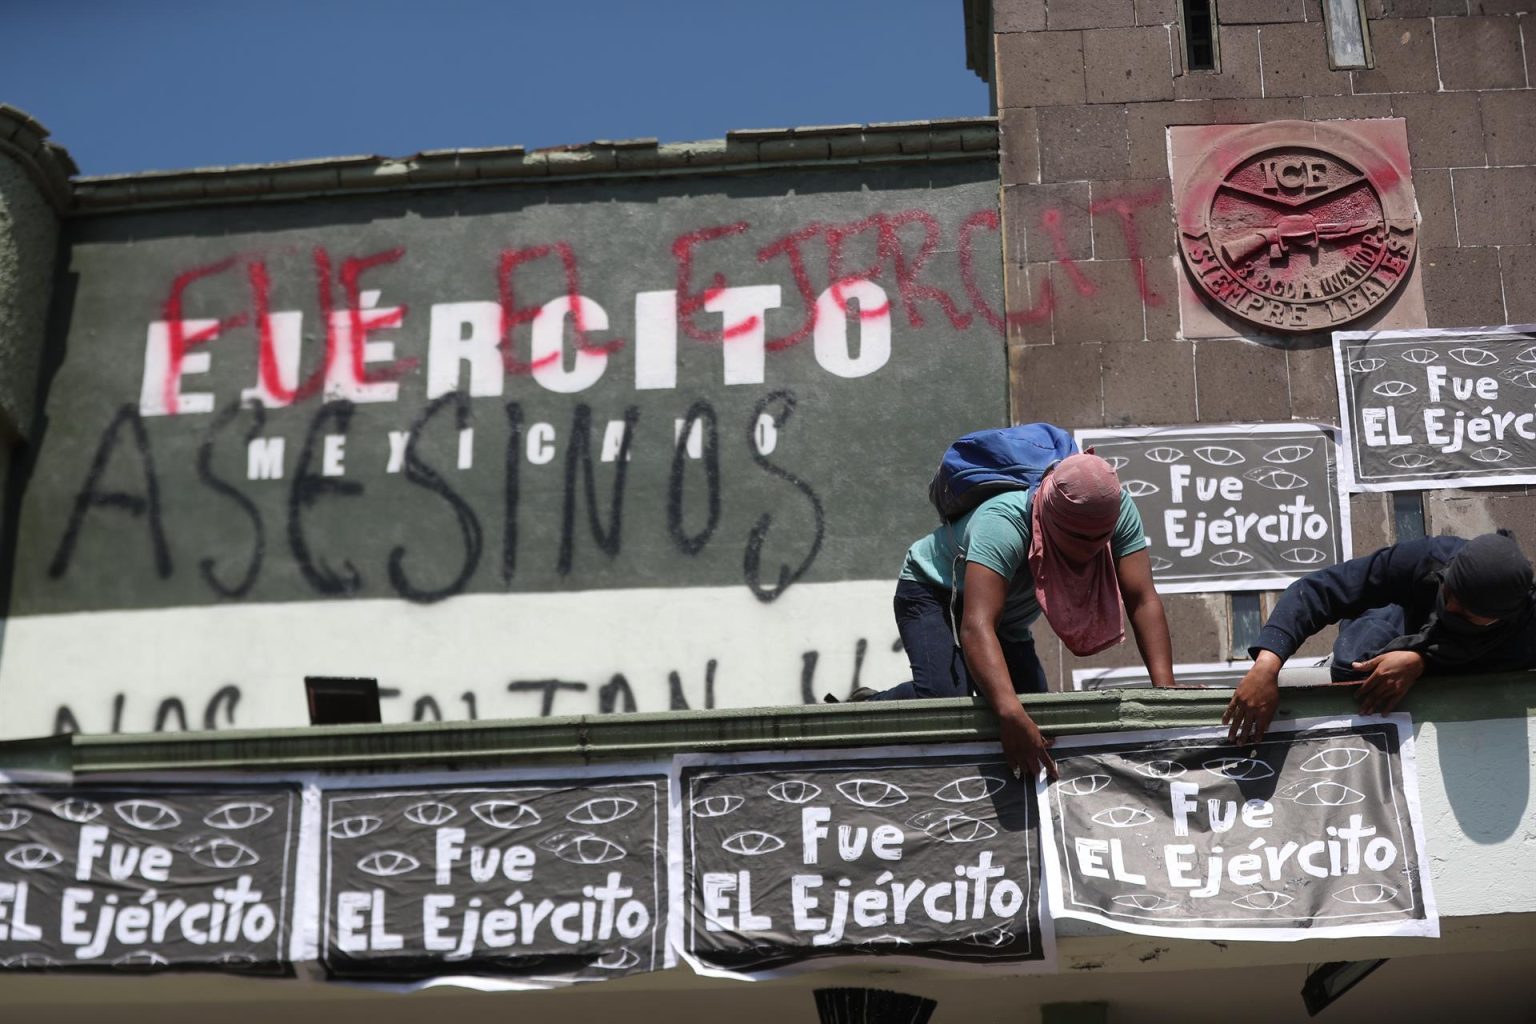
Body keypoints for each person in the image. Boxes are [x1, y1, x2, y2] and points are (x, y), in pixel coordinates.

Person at [861, 452, 1175, 780]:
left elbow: (1141, 599)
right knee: (943, 700)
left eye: (1101, 540)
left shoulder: (1118, 508)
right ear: (1050, 518)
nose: (1090, 551)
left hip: (1005, 615)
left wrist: (1165, 694)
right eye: (1079, 539)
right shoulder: (1002, 523)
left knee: (1039, 718)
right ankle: (866, 709)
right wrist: (1009, 713)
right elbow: (977, 625)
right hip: (933, 589)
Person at [1224, 530, 1536, 744]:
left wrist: (1421, 661)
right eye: (1448, 590)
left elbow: (1486, 656)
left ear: (1501, 616)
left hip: (1443, 665)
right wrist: (1266, 665)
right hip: (1393, 626)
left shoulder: (1527, 632)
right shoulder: (1431, 559)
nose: (1449, 605)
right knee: (1357, 667)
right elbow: (1321, 590)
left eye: (1464, 610)